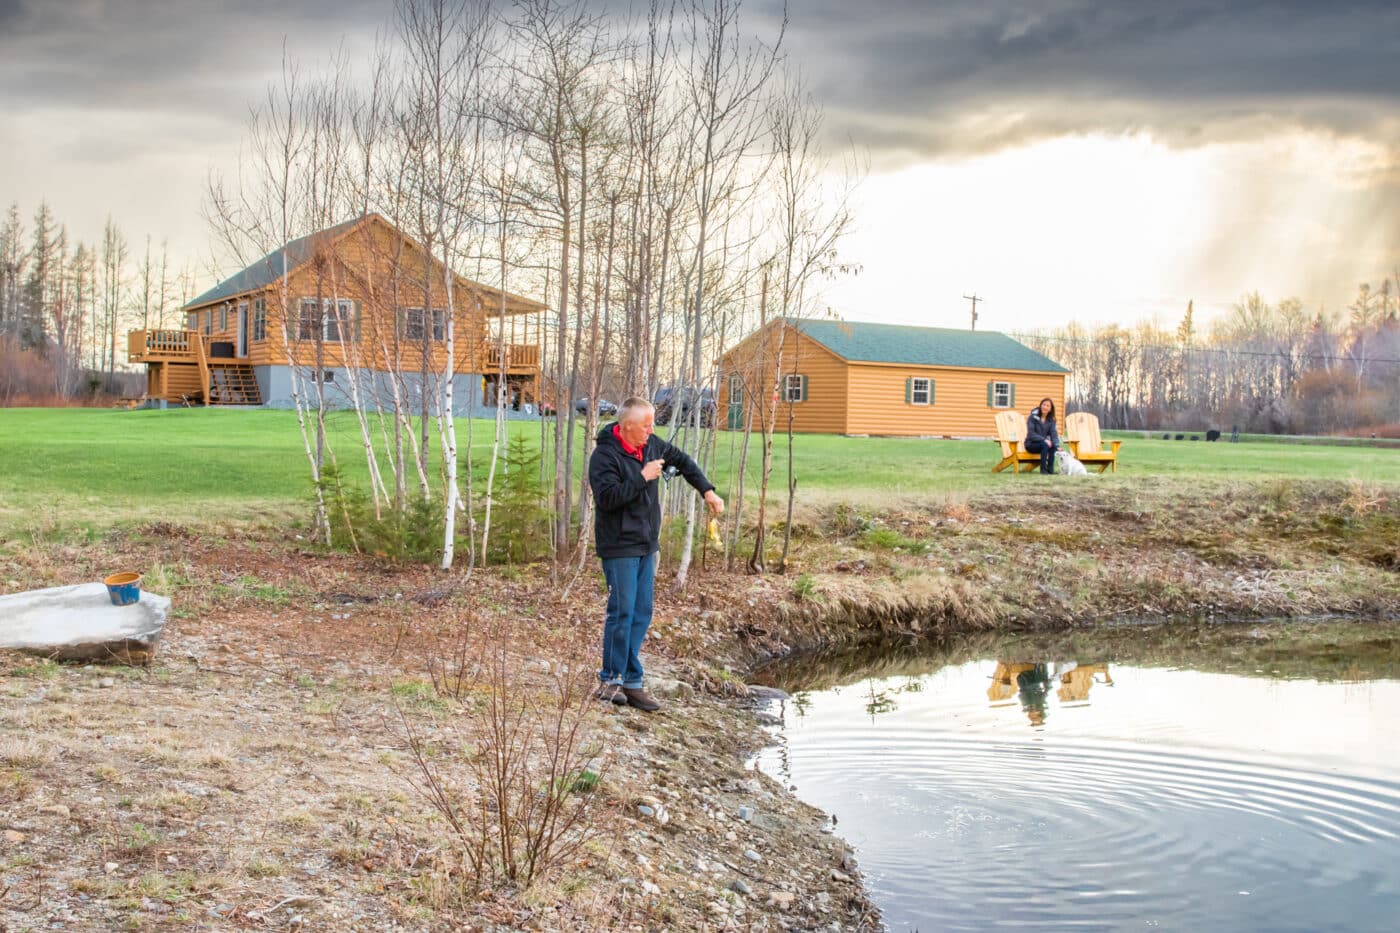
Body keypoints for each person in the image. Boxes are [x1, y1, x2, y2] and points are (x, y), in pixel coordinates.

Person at [588, 396, 724, 712]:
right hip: (619, 545)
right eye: (646, 425)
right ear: (627, 426)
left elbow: (686, 462)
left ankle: (632, 683)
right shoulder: (604, 455)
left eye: (652, 424)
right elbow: (607, 499)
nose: (652, 430)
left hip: (646, 544)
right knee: (621, 611)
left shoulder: (652, 446)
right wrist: (642, 477)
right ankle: (610, 679)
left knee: (641, 612)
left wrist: (707, 490)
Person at [1025, 397, 1061, 474]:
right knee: (1045, 444)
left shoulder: (1051, 420)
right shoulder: (1032, 418)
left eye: (1048, 406)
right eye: (1044, 404)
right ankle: (1043, 470)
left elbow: (1053, 434)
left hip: (1043, 444)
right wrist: (1044, 440)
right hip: (1031, 444)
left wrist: (1057, 446)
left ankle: (1050, 470)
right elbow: (1031, 434)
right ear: (1040, 406)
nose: (1045, 407)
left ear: (1050, 409)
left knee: (1052, 446)